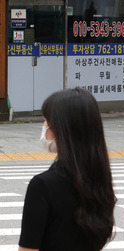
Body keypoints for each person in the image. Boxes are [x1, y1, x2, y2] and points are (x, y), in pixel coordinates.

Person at [18, 88, 116, 251]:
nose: (44, 126)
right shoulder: (99, 177)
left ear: (62, 129)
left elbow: (27, 249)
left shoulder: (42, 185)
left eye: (46, 120)